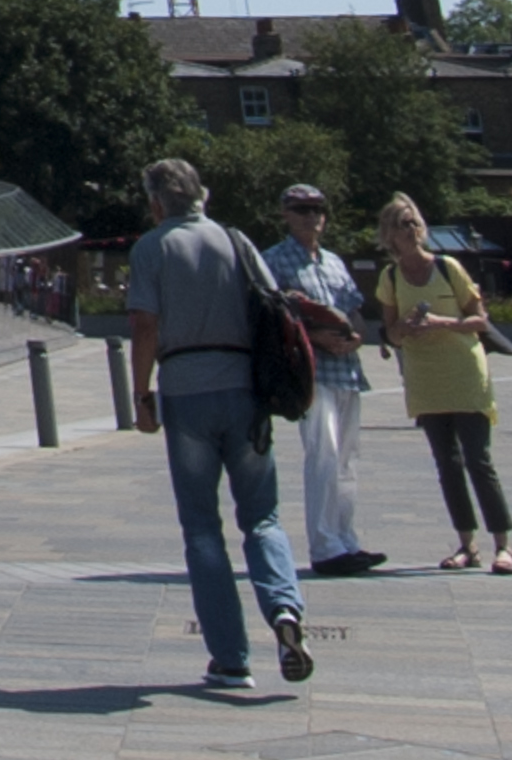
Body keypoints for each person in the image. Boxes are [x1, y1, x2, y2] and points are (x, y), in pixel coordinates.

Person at [127, 157, 318, 694]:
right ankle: (284, 610)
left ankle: (231, 656)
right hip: (244, 390)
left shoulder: (151, 247)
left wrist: (141, 394)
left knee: (202, 528)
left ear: (157, 203)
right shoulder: (236, 241)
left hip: (186, 389)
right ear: (202, 197)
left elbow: (144, 325)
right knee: (262, 517)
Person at [370, 194, 512, 575]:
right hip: (425, 377)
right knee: (446, 463)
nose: (412, 228)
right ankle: (467, 544)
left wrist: (441, 323)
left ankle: (504, 545)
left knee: (478, 459)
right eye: (403, 223)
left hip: (464, 372)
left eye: (415, 221)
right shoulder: (389, 278)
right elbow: (390, 333)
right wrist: (401, 330)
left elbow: (480, 320)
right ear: (390, 234)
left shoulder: (449, 267)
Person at [265, 183, 384, 576]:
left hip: (347, 371)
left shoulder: (333, 261)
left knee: (348, 458)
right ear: (285, 214)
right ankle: (325, 547)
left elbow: (354, 309)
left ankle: (346, 539)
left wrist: (356, 337)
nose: (311, 216)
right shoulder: (274, 261)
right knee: (323, 454)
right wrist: (315, 337)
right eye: (301, 209)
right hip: (310, 371)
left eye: (317, 209)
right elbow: (270, 317)